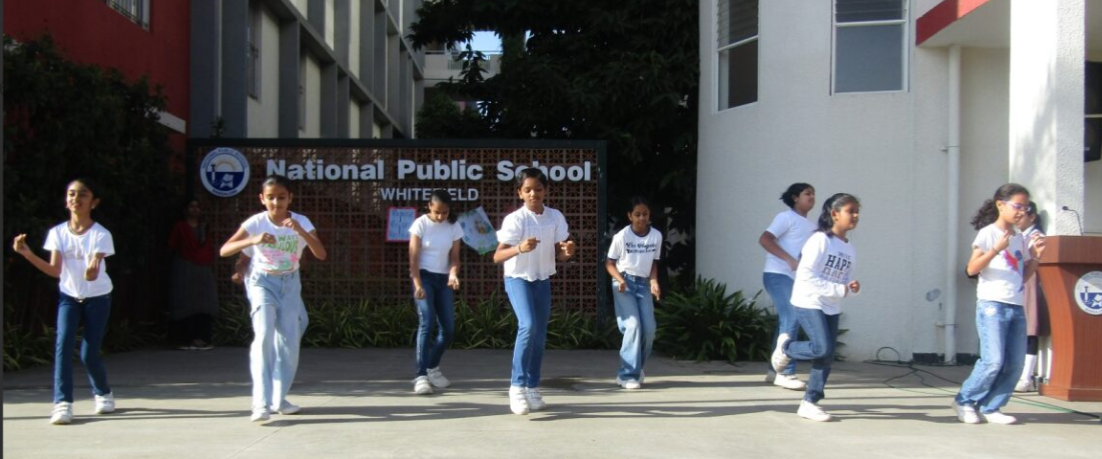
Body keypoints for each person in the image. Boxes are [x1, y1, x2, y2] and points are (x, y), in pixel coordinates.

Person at [219, 175, 327, 422]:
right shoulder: (256, 222)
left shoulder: (301, 221)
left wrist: (300, 231)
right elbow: (225, 250)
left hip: (289, 284)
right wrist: (253, 239)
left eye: (281, 197)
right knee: (265, 334)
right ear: (262, 199)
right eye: (270, 198)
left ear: (290, 198)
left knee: (289, 343)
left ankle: (279, 399)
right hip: (262, 282)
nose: (276, 203)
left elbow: (321, 253)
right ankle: (260, 403)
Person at [12, 179, 117, 425]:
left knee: (89, 353)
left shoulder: (101, 234)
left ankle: (104, 394)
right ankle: (62, 404)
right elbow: (55, 270)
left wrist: (92, 271)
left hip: (98, 298)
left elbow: (94, 268)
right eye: (71, 194)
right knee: (63, 345)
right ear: (66, 200)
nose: (75, 199)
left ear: (94, 202)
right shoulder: (57, 233)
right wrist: (27, 253)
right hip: (69, 297)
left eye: (82, 194)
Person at [953, 184, 1045, 425]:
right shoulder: (988, 233)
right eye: (1018, 206)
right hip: (992, 305)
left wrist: (1036, 257)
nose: (1022, 211)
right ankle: (965, 401)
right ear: (1001, 205)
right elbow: (972, 269)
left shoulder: (1019, 238)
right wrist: (996, 249)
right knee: (993, 361)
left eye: (1026, 207)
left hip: (1016, 305)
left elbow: (1021, 277)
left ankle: (992, 406)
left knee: (1015, 363)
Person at [771, 193, 861, 422]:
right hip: (808, 300)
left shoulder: (850, 249)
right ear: (835, 214)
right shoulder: (820, 240)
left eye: (857, 211)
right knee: (822, 348)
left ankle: (809, 403)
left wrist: (850, 287)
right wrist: (839, 289)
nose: (855, 215)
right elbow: (806, 276)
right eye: (850, 211)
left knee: (826, 355)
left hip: (831, 305)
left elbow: (843, 280)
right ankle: (787, 347)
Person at [493, 168, 576, 415]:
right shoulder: (515, 219)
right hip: (517, 278)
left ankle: (532, 387)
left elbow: (561, 253)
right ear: (520, 193)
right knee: (528, 326)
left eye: (538, 189)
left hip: (542, 279)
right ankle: (516, 387)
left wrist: (568, 252)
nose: (533, 194)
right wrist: (519, 248)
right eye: (527, 190)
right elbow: (497, 256)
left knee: (539, 336)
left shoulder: (555, 217)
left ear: (545, 190)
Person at [758, 183, 816, 390]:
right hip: (777, 275)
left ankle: (774, 370)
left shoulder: (812, 226)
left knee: (787, 320)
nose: (812, 197)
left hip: (796, 280)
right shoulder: (785, 217)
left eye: (813, 194)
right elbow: (765, 239)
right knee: (792, 316)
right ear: (794, 197)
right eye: (807, 193)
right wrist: (789, 259)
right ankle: (786, 373)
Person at [408, 190, 464, 395]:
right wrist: (417, 284)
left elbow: (455, 258)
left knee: (448, 328)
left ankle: (432, 367)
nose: (441, 216)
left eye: (445, 212)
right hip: (424, 277)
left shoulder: (454, 226)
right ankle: (421, 375)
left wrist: (453, 274)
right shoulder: (420, 224)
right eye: (437, 212)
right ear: (429, 206)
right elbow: (413, 259)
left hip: (443, 279)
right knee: (427, 322)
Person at [605, 196, 663, 390]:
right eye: (637, 214)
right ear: (630, 216)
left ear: (649, 215)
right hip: (623, 282)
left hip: (643, 284)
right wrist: (620, 280)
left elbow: (654, 262)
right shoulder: (621, 236)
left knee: (649, 329)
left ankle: (637, 368)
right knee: (633, 325)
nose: (641, 218)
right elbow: (609, 263)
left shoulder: (656, 236)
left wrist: (654, 281)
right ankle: (627, 374)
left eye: (645, 214)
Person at [167, 199, 219, 350]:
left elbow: (209, 247)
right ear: (185, 209)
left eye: (197, 207)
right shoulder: (180, 227)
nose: (195, 210)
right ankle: (185, 340)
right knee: (185, 301)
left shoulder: (205, 227)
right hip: (184, 267)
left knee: (204, 302)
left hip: (203, 269)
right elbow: (173, 245)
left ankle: (203, 339)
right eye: (192, 207)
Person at [1015, 201, 1047, 393]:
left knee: (1030, 329)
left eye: (1022, 215)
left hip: (1031, 283)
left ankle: (1026, 377)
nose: (1017, 218)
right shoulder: (1018, 236)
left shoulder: (1036, 237)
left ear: (1032, 217)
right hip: (1017, 285)